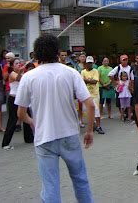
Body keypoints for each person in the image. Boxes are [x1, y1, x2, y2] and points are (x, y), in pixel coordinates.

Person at [15, 34, 95, 202]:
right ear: (58, 52)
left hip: (44, 138)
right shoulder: (71, 73)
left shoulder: (29, 77)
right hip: (70, 135)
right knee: (80, 180)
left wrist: (32, 122)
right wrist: (89, 131)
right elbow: (91, 104)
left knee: (50, 186)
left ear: (35, 54)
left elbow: (20, 113)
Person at [1, 58, 34, 149]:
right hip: (13, 100)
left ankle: (29, 139)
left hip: (22, 100)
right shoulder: (12, 73)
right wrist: (21, 71)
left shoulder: (22, 73)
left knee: (27, 119)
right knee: (12, 121)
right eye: (16, 63)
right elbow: (18, 78)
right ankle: (5, 144)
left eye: (19, 63)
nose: (18, 64)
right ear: (12, 66)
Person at [81, 56, 105, 134]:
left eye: (91, 63)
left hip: (94, 94)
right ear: (86, 63)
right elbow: (82, 82)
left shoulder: (95, 71)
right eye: (88, 63)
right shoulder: (83, 72)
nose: (90, 64)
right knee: (87, 111)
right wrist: (89, 80)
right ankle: (92, 125)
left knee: (96, 111)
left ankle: (98, 126)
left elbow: (95, 81)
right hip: (86, 94)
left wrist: (86, 80)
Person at [108, 54, 135, 120]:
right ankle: (122, 115)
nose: (125, 61)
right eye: (123, 60)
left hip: (128, 89)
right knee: (120, 103)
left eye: (126, 60)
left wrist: (131, 87)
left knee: (129, 104)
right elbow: (110, 74)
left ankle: (128, 116)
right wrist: (115, 82)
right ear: (120, 61)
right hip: (120, 89)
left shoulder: (130, 68)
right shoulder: (118, 67)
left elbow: (132, 79)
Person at [77, 52, 87, 127]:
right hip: (79, 86)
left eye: (84, 56)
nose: (83, 58)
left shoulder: (88, 65)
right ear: (79, 58)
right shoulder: (76, 66)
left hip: (88, 87)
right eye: (81, 56)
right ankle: (80, 120)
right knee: (80, 105)